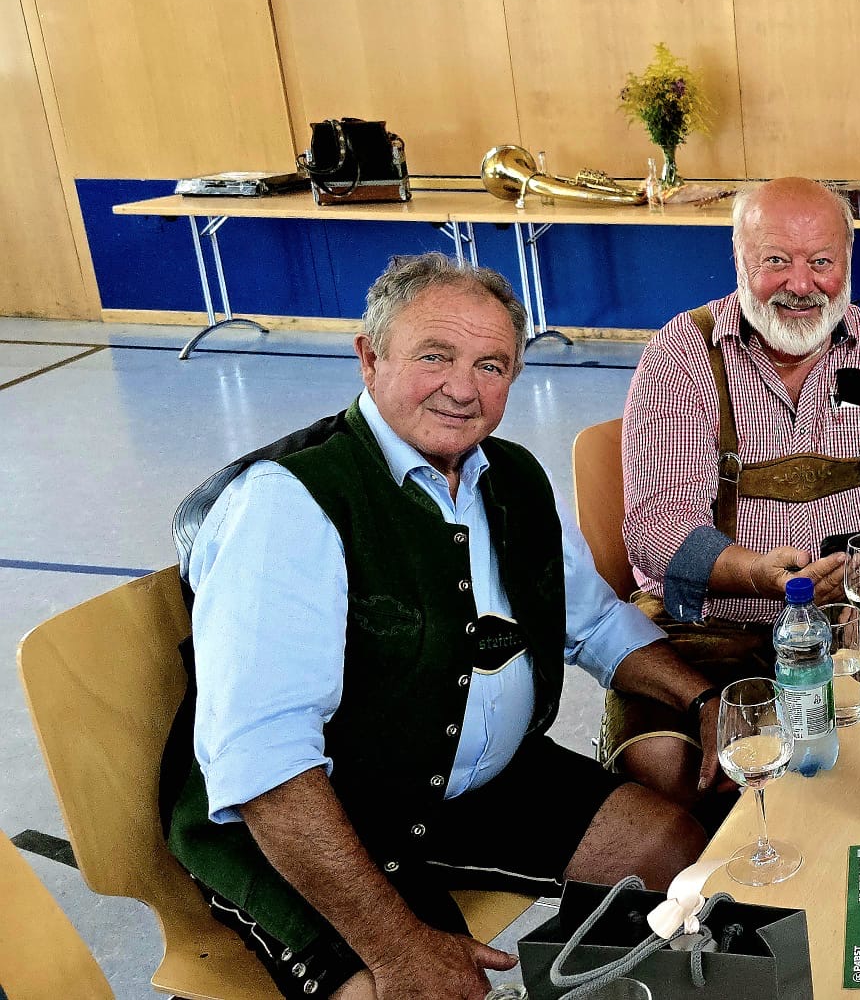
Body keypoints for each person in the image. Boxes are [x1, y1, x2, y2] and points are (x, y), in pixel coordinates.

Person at [160, 253, 718, 1000]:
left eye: (492, 365)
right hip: (310, 818)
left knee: (682, 855)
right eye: (434, 356)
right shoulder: (287, 506)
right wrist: (397, 948)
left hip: (476, 785)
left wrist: (705, 699)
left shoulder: (511, 476)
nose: (463, 389)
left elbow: (596, 625)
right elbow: (265, 769)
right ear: (369, 356)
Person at [612, 176, 860, 792]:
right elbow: (651, 528)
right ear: (739, 259)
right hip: (707, 632)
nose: (801, 285)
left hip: (850, 627)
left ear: (849, 262)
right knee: (664, 770)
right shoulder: (682, 353)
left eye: (821, 262)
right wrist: (756, 574)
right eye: (776, 260)